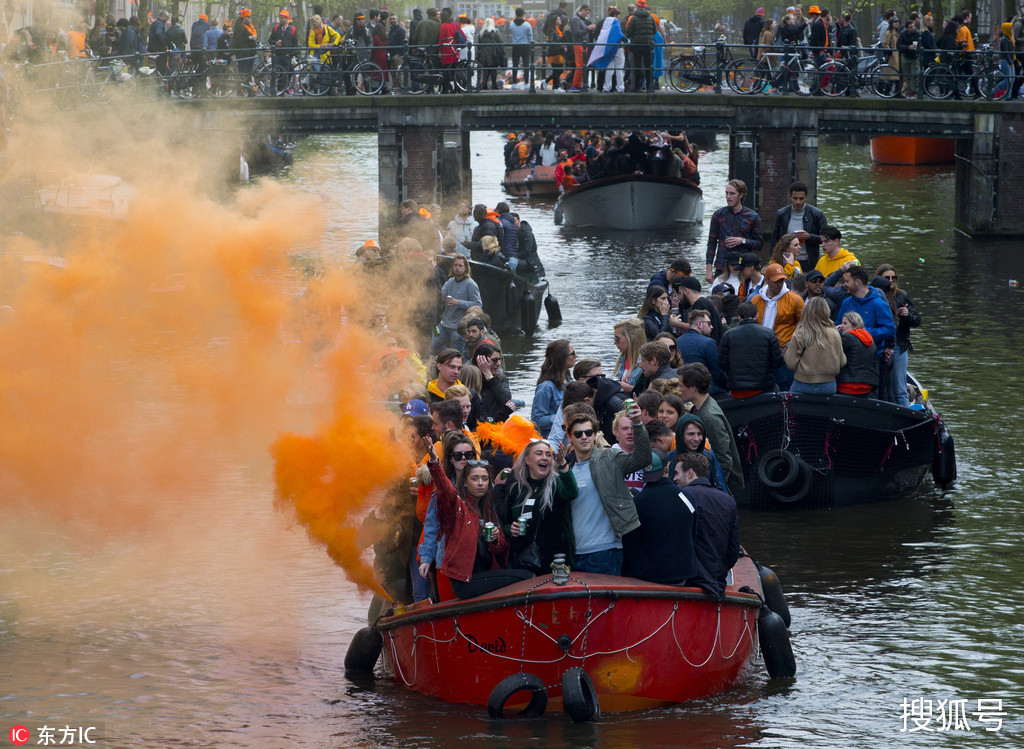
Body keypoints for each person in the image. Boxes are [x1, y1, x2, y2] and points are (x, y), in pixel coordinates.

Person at [422, 437, 532, 599]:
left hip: (484, 575)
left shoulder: (488, 509)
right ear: (465, 483)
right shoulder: (457, 504)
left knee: (526, 576)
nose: (480, 483)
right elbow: (444, 487)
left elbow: (501, 547)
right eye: (475, 479)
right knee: (526, 578)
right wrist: (433, 460)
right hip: (464, 580)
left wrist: (495, 540)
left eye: (484, 479)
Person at [564, 402, 651, 574]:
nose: (584, 437)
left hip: (606, 552)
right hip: (575, 554)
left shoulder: (610, 458)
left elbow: (643, 458)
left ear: (595, 435)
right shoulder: (567, 470)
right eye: (578, 433)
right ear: (569, 436)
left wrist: (638, 424)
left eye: (589, 432)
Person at [495, 438, 578, 571]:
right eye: (539, 453)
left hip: (556, 562)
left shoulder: (556, 483)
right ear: (527, 460)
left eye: (548, 454)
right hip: (525, 562)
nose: (544, 457)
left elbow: (571, 492)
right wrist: (510, 529)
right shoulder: (517, 489)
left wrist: (562, 463)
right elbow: (506, 522)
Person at [416, 428, 476, 602]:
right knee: (449, 609)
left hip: (474, 560)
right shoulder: (441, 491)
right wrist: (427, 558)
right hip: (447, 560)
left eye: (469, 455)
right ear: (450, 458)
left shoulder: (483, 485)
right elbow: (432, 525)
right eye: (458, 455)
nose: (464, 459)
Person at [621, 449, 699, 584]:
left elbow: (630, 543)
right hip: (681, 574)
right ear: (667, 468)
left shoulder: (637, 503)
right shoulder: (686, 498)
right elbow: (693, 534)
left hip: (646, 576)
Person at [674, 452, 740, 600]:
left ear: (690, 473)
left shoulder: (679, 497)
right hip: (716, 583)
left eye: (677, 473)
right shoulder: (728, 501)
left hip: (686, 582)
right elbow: (733, 549)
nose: (674, 478)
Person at [677, 363, 743, 493]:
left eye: (681, 386)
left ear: (693, 388)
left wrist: (715, 490)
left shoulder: (709, 416)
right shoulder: (699, 407)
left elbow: (724, 458)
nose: (679, 390)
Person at [835, 265, 896, 398]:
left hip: (874, 360)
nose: (844, 285)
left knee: (877, 398)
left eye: (847, 281)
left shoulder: (878, 304)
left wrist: (861, 334)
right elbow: (837, 325)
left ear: (857, 282)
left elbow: (890, 329)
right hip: (848, 360)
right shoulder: (846, 302)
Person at [876, 264, 921, 407]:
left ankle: (904, 415)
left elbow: (917, 320)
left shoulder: (902, 296)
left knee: (899, 388)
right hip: (879, 345)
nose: (890, 281)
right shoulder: (874, 295)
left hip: (898, 345)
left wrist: (907, 316)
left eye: (893, 278)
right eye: (887, 278)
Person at [718, 301, 784, 398]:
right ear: (757, 315)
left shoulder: (728, 335)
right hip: (764, 387)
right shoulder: (768, 334)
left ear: (739, 317)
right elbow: (777, 362)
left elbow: (722, 364)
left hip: (737, 389)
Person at [784, 297, 845, 394]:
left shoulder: (801, 333)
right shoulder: (834, 333)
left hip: (803, 384)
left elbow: (790, 363)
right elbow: (842, 362)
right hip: (828, 385)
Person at [706, 179, 762, 284]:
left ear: (741, 195)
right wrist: (708, 269)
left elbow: (759, 244)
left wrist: (742, 241)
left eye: (732, 194)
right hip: (722, 266)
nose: (728, 197)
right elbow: (712, 242)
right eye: (726, 193)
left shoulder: (752, 217)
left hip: (743, 267)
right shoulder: (718, 215)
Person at [771, 182, 828, 269]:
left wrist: (809, 236)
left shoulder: (817, 214)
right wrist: (773, 259)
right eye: (795, 198)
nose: (798, 202)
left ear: (806, 197)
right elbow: (775, 238)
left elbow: (827, 238)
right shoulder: (781, 214)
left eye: (801, 199)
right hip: (786, 260)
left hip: (809, 260)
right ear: (790, 197)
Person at [433, 254, 481, 354]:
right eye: (455, 265)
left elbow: (477, 304)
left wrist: (458, 302)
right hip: (444, 325)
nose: (457, 268)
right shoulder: (450, 282)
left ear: (465, 268)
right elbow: (440, 295)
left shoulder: (470, 284)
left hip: (458, 327)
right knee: (431, 347)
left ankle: (459, 357)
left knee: (455, 353)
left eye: (460, 266)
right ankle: (455, 355)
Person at [673, 414, 728, 493]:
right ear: (681, 435)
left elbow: (718, 485)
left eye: (699, 434)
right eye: (691, 434)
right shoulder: (670, 459)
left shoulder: (708, 456)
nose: (696, 439)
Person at [676, 309, 726, 395]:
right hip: (708, 391)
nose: (712, 327)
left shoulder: (676, 342)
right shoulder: (708, 342)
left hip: (683, 391)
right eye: (709, 323)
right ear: (699, 324)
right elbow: (717, 372)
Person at [532, 339, 576, 437]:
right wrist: (563, 417)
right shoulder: (546, 388)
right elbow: (537, 420)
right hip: (552, 440)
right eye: (572, 353)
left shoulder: (570, 382)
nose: (576, 356)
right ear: (562, 358)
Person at [836, 312, 879, 396]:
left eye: (845, 323)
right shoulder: (870, 339)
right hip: (867, 386)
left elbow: (832, 351)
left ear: (854, 324)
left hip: (847, 385)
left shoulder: (847, 338)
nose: (841, 326)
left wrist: (834, 335)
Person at [473, 342, 515, 423]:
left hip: (499, 425)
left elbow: (506, 400)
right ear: (482, 361)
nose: (499, 363)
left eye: (499, 359)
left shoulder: (502, 378)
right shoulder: (472, 377)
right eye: (495, 360)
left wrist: (489, 376)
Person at [589, 6, 626, 92]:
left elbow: (596, 33)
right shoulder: (617, 22)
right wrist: (627, 40)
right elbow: (620, 34)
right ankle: (620, 87)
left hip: (608, 47)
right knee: (619, 68)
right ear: (616, 14)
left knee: (609, 68)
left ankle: (606, 87)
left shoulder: (603, 21)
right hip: (618, 47)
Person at [626, 0, 656, 92]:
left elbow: (629, 33)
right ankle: (649, 87)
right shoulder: (651, 18)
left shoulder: (634, 18)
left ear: (637, 7)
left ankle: (637, 88)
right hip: (648, 44)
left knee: (637, 66)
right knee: (648, 66)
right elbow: (655, 31)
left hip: (637, 45)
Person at [613, 317, 646, 394]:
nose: (614, 342)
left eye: (617, 339)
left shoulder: (646, 362)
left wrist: (632, 389)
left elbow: (650, 394)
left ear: (631, 338)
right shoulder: (621, 358)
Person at [569, 4, 596, 91]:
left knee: (582, 66)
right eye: (586, 13)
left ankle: (578, 85)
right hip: (579, 45)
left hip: (583, 45)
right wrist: (588, 29)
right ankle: (574, 85)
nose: (587, 15)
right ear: (583, 10)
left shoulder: (579, 19)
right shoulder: (575, 19)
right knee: (580, 66)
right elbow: (577, 33)